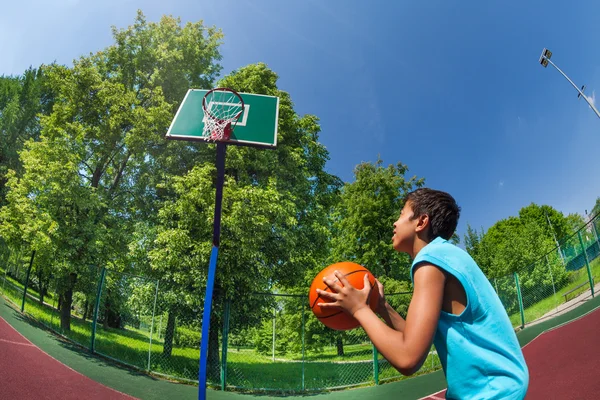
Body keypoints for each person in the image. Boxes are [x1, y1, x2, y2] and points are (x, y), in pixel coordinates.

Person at [316, 188, 529, 399]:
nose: (395, 223)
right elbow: (412, 338)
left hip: (491, 392)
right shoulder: (446, 255)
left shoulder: (430, 259)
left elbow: (408, 358)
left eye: (401, 214)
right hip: (502, 385)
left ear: (421, 222)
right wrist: (382, 307)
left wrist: (359, 309)